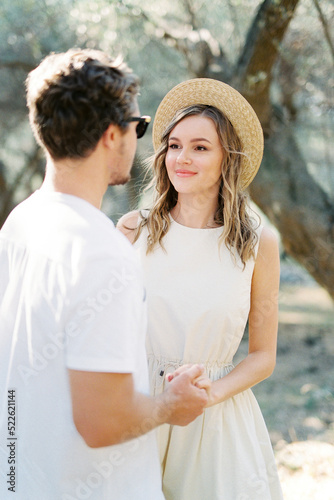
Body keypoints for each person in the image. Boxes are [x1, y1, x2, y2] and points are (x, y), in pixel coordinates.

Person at [0, 51, 210, 500]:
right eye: (139, 126)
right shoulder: (103, 253)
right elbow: (103, 422)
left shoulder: (21, 222)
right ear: (113, 134)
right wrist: (171, 406)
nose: (140, 140)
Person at [117, 78, 284, 499]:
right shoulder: (132, 230)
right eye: (174, 145)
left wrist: (211, 394)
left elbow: (263, 356)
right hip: (139, 415)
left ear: (228, 158)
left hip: (214, 420)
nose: (181, 158)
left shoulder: (257, 243)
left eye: (200, 147)